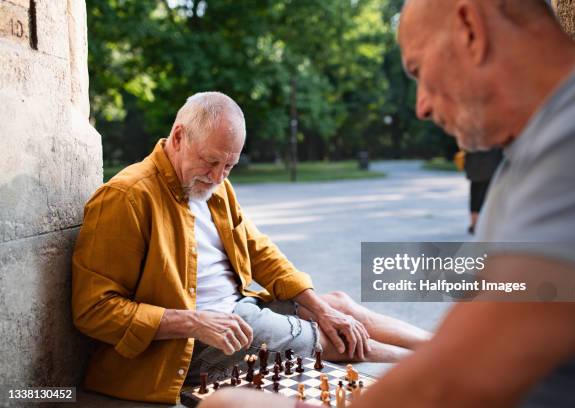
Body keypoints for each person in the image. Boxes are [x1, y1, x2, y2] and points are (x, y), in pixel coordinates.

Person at [199, 0, 575, 407]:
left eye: (418, 71)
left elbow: (463, 379)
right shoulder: (544, 143)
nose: (422, 107)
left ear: (471, 28)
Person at [71, 92, 428, 404]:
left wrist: (319, 307)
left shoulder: (217, 188)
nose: (217, 177)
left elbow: (259, 251)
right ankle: (441, 365)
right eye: (211, 161)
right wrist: (194, 321)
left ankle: (444, 345)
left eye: (229, 165)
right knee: (331, 339)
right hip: (180, 344)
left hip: (240, 309)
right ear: (178, 136)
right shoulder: (126, 197)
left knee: (337, 307)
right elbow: (93, 310)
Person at [464, 149, 503, 234]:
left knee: (475, 197)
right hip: (491, 169)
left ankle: (475, 225)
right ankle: (488, 225)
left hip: (475, 170)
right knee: (490, 198)